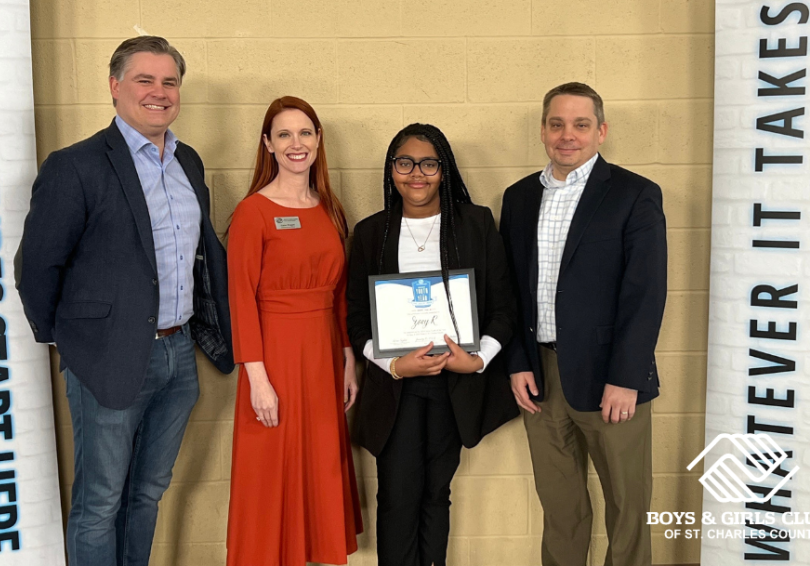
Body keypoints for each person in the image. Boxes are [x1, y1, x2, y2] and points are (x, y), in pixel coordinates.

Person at [17, 36, 233, 565]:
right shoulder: (76, 166)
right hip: (107, 357)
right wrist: (69, 338)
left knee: (147, 493)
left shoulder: (190, 163)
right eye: (144, 80)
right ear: (115, 87)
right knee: (99, 503)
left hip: (178, 356)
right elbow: (36, 267)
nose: (159, 92)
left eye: (169, 82)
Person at [500, 82, 667, 566]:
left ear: (601, 131)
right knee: (561, 507)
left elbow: (646, 294)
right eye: (557, 124)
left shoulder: (634, 195)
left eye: (580, 124)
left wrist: (626, 378)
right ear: (543, 131)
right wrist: (517, 362)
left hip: (611, 379)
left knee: (627, 507)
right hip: (540, 378)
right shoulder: (518, 198)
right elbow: (508, 290)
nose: (567, 135)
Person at [346, 123, 519, 566]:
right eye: (404, 163)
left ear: (444, 169)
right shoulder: (371, 233)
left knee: (436, 494)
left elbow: (504, 308)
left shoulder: (475, 223)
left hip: (454, 386)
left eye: (428, 163)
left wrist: (476, 359)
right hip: (397, 388)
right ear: (391, 170)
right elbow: (357, 321)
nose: (416, 173)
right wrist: (393, 366)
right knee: (398, 495)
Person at [226, 96, 362, 566]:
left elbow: (340, 292)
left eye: (305, 133)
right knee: (271, 472)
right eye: (283, 134)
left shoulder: (330, 208)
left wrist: (348, 358)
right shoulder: (253, 212)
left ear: (319, 139)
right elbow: (240, 300)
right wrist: (256, 380)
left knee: (318, 467)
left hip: (323, 356)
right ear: (267, 144)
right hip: (275, 360)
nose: (296, 143)